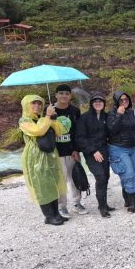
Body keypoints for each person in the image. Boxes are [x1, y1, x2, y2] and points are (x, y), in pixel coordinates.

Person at [19, 95, 67, 225]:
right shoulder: (24, 120)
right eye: (33, 104)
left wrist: (53, 119)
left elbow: (60, 131)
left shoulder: (43, 119)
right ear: (27, 105)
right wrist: (47, 117)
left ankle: (56, 214)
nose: (37, 106)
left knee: (53, 183)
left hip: (50, 155)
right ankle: (49, 216)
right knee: (42, 185)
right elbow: (38, 131)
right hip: (35, 158)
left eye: (39, 104)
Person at [74, 93, 112, 218]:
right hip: (91, 152)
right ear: (91, 103)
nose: (98, 103)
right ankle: (102, 207)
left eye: (100, 101)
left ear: (104, 103)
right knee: (100, 177)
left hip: (104, 150)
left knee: (106, 176)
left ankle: (104, 204)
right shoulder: (84, 118)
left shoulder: (106, 116)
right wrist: (93, 151)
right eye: (95, 101)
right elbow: (80, 138)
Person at [107, 91, 135, 213]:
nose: (124, 101)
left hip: (132, 147)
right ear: (116, 101)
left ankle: (129, 201)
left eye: (126, 99)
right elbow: (111, 130)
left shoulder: (131, 112)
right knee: (128, 174)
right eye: (121, 100)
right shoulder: (112, 113)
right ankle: (132, 204)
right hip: (118, 148)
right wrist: (118, 115)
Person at [52, 84, 84, 217]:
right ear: (56, 95)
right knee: (60, 180)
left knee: (75, 177)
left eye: (66, 93)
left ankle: (77, 203)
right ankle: (61, 206)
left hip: (72, 151)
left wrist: (77, 149)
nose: (64, 96)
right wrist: (49, 117)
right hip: (56, 152)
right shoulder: (49, 111)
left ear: (70, 96)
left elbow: (78, 132)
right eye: (61, 93)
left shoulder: (75, 111)